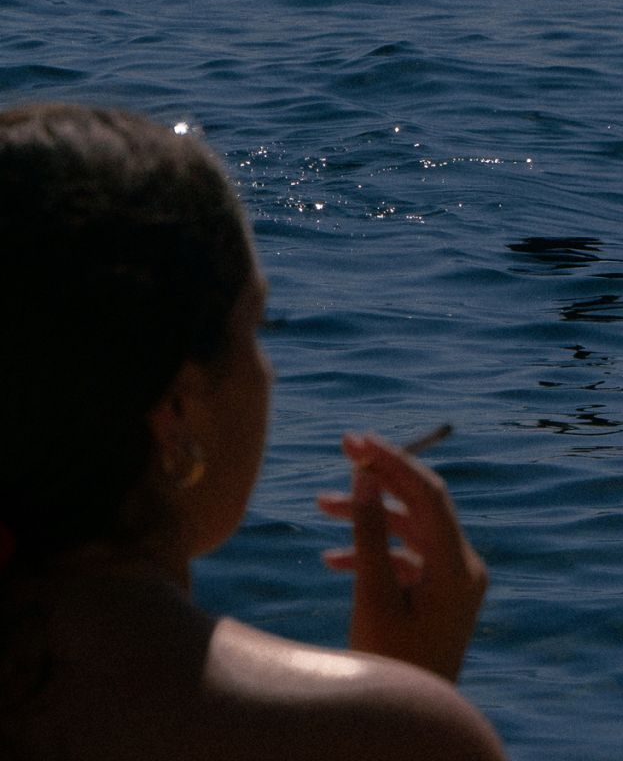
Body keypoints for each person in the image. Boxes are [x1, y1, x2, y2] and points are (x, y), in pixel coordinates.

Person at [0, 102, 507, 761]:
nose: (267, 371)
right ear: (177, 410)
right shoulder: (390, 735)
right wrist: (408, 692)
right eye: (255, 328)